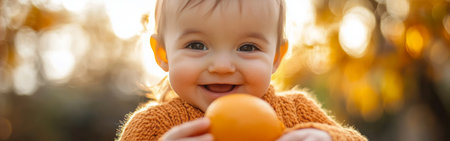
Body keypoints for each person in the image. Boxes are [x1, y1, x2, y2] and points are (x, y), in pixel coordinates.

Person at [117, 0, 367, 140]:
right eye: (196, 45)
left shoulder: (298, 112)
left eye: (248, 47)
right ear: (162, 53)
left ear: (276, 57)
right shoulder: (153, 126)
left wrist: (324, 138)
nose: (222, 67)